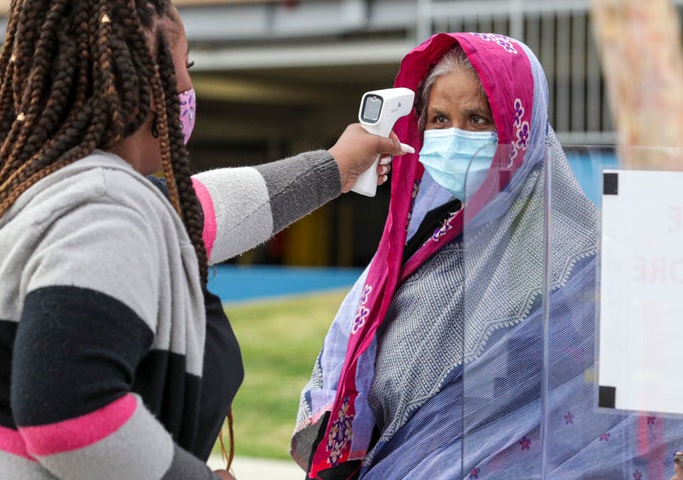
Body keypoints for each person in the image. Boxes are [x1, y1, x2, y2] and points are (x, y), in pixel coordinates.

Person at [0, 1, 413, 479]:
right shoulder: (102, 209)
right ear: (142, 81)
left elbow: (215, 206)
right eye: (184, 66)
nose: (187, 88)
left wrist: (337, 166)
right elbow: (72, 419)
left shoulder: (54, 190)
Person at [292, 32, 683, 479]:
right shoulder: (419, 241)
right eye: (438, 119)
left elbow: (636, 400)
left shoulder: (580, 261)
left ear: (521, 130)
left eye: (477, 119)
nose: (453, 137)